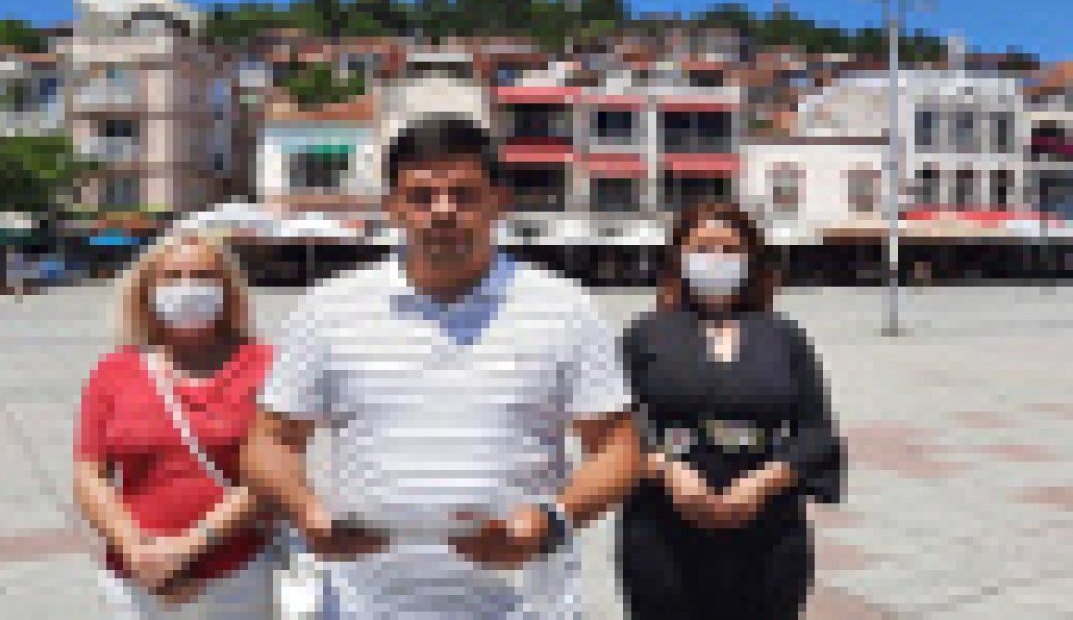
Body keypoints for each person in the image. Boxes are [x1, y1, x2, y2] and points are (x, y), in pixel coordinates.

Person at [241, 115, 642, 619]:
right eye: (422, 197)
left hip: (527, 606)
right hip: (365, 606)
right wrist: (306, 511)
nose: (443, 211)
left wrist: (552, 521)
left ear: (498, 201)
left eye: (463, 195)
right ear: (392, 206)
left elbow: (616, 448)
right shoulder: (327, 309)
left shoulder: (566, 309)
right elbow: (271, 441)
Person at [615, 202, 846, 620]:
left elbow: (817, 432)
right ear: (679, 257)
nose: (716, 259)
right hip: (662, 528)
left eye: (730, 249)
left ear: (751, 259)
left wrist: (763, 482)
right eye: (703, 248)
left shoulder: (784, 335)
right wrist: (664, 470)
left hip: (768, 530)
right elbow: (613, 425)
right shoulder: (644, 334)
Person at [73, 229, 283, 619]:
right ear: (147, 290)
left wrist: (187, 548)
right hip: (137, 577)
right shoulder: (114, 370)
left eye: (204, 276)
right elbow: (90, 473)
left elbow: (275, 476)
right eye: (172, 276)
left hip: (235, 576)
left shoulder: (266, 366)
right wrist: (134, 547)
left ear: (229, 289)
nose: (188, 288)